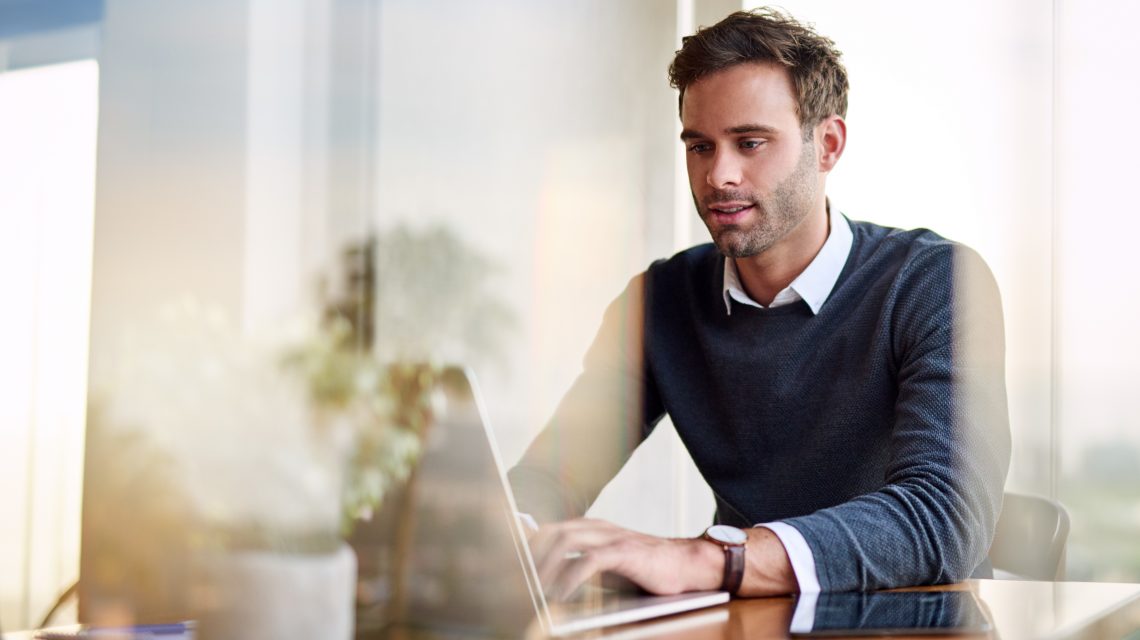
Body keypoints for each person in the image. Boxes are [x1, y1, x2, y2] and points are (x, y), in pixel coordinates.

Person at [507, 8, 1010, 599]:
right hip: (747, 621)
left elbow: (945, 516)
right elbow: (553, 474)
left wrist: (713, 559)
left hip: (910, 625)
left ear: (827, 145)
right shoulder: (661, 301)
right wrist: (509, 530)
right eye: (700, 146)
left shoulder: (934, 282)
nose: (718, 175)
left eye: (750, 143)